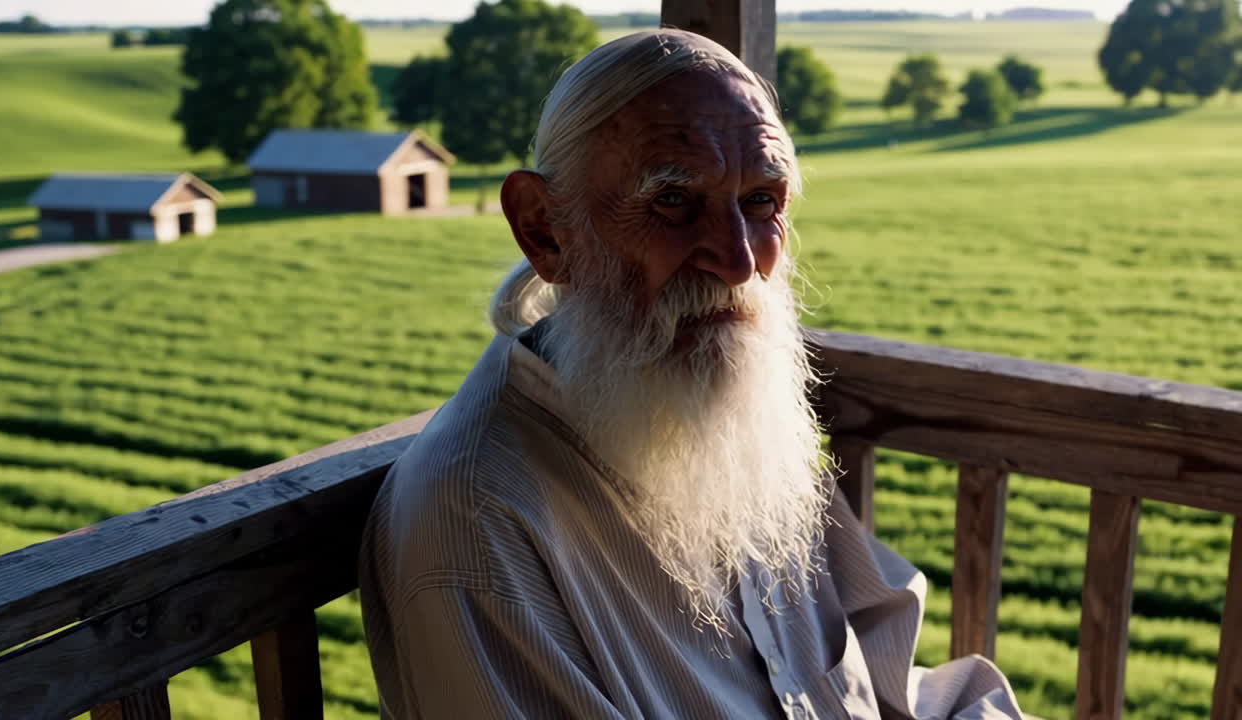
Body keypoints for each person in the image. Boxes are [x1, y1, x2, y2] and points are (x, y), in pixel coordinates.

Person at [359, 30, 1023, 720]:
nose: (739, 263)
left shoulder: (725, 419)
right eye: (674, 202)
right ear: (546, 229)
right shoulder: (475, 522)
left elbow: (886, 682)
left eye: (762, 203)